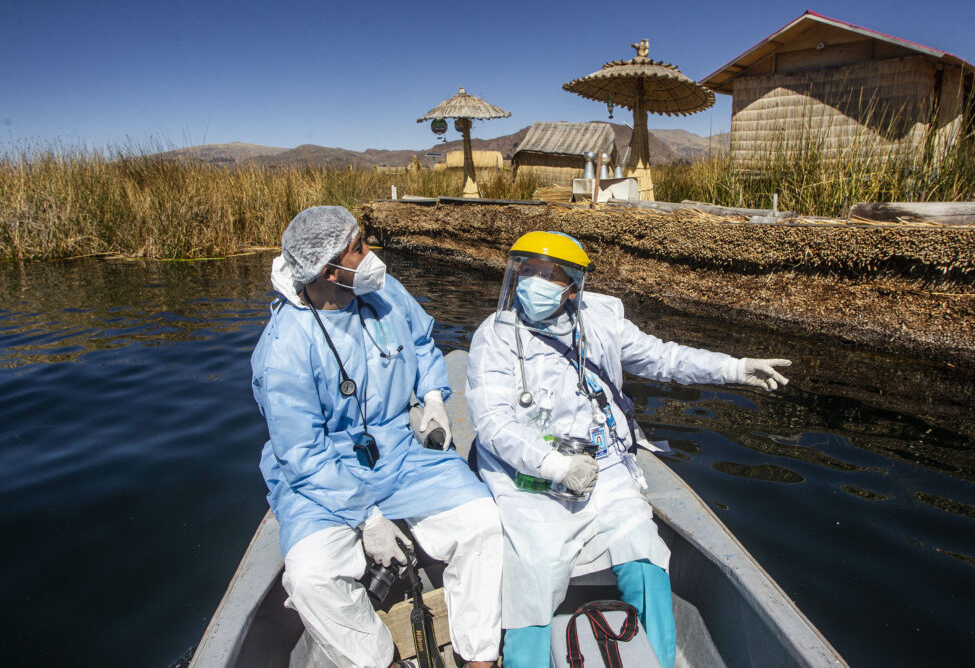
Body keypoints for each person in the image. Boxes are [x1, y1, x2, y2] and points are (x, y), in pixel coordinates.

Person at [465, 231, 791, 668]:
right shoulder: (496, 336)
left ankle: (658, 657)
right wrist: (555, 466)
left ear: (572, 285)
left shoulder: (601, 319)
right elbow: (493, 424)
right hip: (531, 478)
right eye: (527, 271)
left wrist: (733, 367)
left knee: (643, 549)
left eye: (548, 274)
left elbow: (664, 358)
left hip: (605, 469)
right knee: (534, 568)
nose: (533, 283)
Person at [251, 205, 502, 668]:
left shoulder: (381, 291)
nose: (371, 255)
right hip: (326, 473)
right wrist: (366, 517)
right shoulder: (284, 349)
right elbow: (302, 454)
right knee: (311, 578)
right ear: (329, 270)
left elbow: (423, 340)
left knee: (483, 523)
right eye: (359, 247)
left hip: (402, 452)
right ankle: (380, 661)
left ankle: (480, 657)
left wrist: (430, 398)